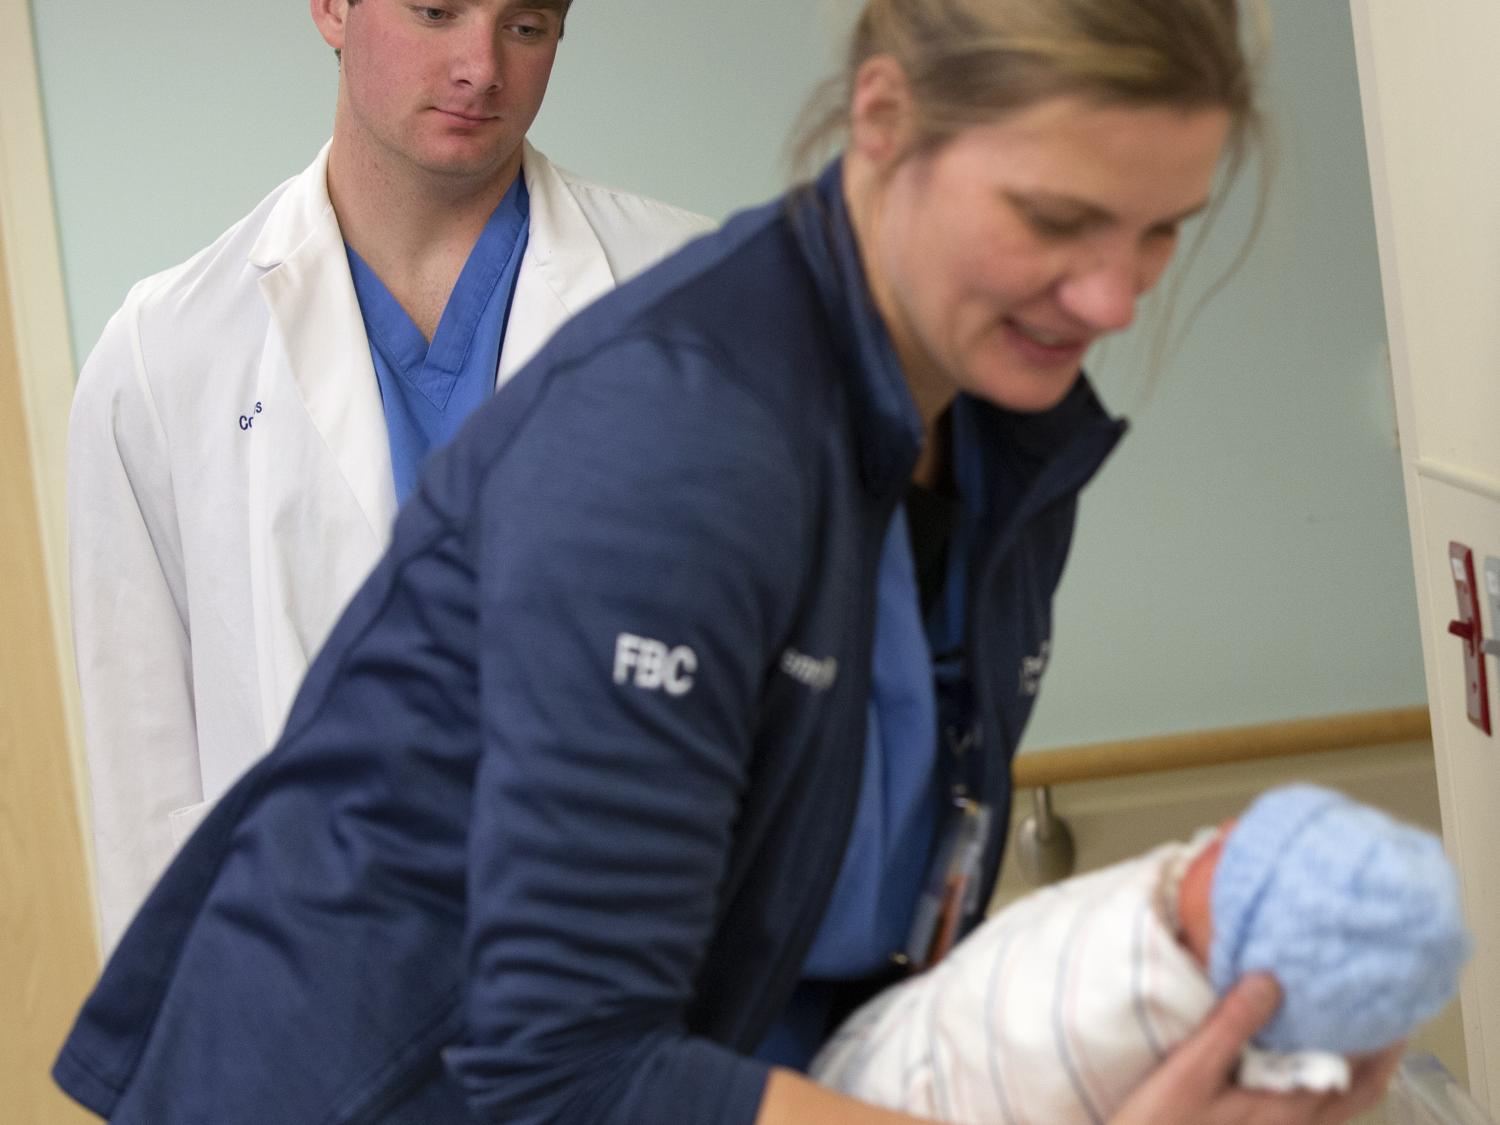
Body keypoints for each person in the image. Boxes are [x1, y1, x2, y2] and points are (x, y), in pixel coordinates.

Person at [55, 0, 1403, 1122]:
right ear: (884, 125)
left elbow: (848, 919)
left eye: (1160, 229)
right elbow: (570, 1068)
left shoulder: (993, 432)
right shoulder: (681, 425)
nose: (1113, 297)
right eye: (1057, 218)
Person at [68, 0, 713, 947]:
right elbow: (145, 784)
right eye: (436, 11)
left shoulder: (697, 291)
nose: (481, 66)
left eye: (525, 26)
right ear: (331, 8)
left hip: (622, 967)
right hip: (304, 998)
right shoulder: (164, 354)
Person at [810, 784, 1471, 1123]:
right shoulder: (1152, 935)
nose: (1226, 832)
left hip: (860, 1071)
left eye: (1235, 845)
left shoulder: (1139, 1007)